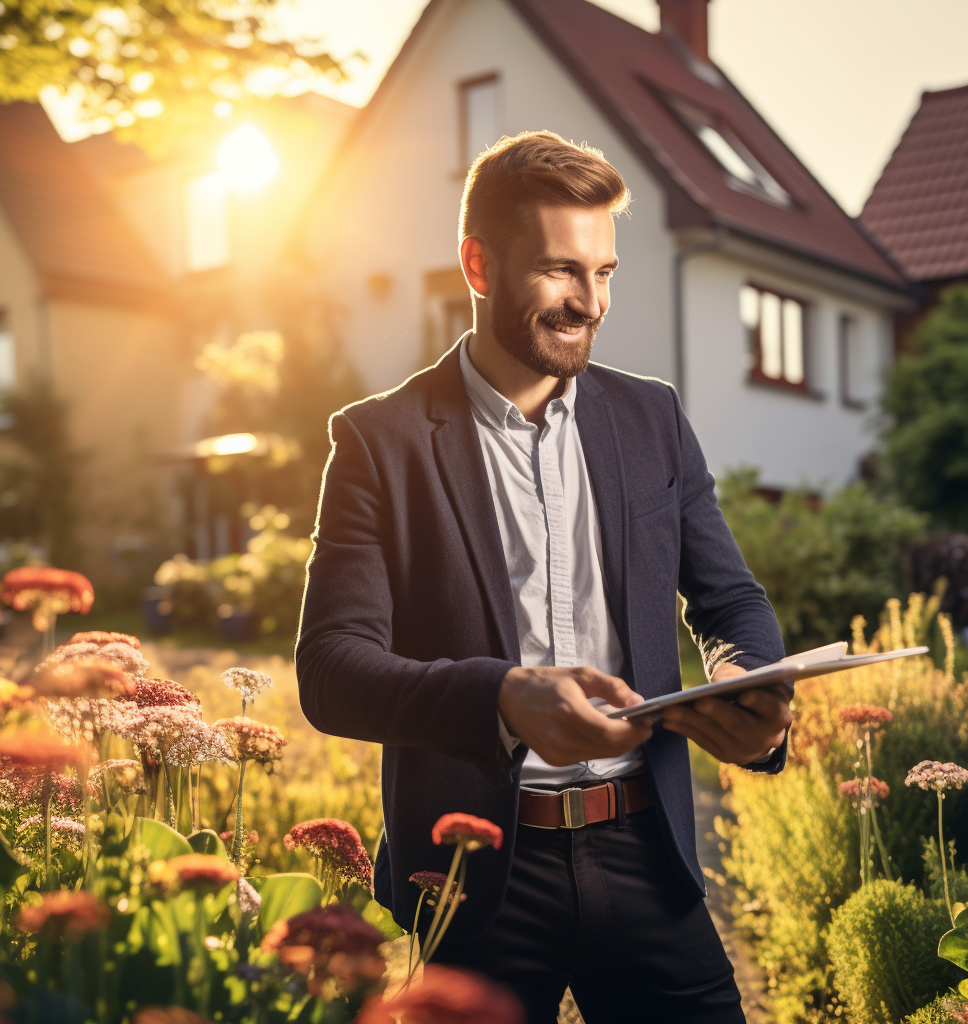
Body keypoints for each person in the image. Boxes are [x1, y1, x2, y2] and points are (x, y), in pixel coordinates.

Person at [296, 130, 792, 1023]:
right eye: (561, 271)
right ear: (478, 265)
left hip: (650, 851)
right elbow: (332, 670)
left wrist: (743, 682)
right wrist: (502, 698)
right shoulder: (380, 441)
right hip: (479, 869)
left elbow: (730, 599)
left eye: (604, 273)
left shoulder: (654, 418)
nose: (589, 303)